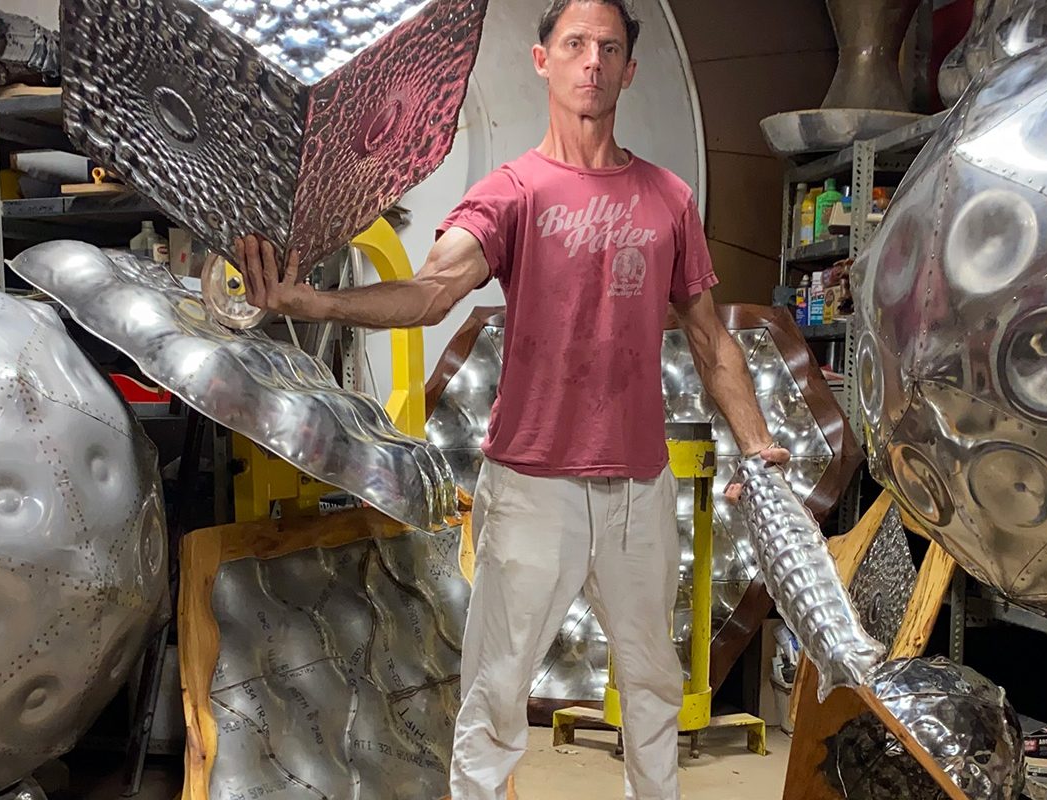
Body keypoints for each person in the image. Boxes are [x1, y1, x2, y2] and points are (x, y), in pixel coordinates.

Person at [235, 1, 789, 797]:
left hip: (638, 484)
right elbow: (430, 294)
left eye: (609, 48)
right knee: (497, 692)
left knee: (655, 689)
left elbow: (711, 341)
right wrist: (314, 305)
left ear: (630, 69)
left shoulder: (668, 199)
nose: (592, 62)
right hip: (532, 486)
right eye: (575, 45)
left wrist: (758, 441)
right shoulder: (512, 192)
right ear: (544, 62)